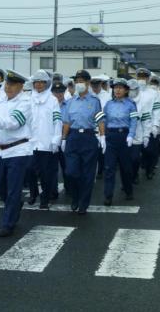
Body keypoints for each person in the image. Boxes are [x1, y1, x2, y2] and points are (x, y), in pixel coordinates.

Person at [0, 70, 32, 237]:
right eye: (7, 84)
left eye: (12, 85)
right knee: (0, 184)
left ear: (21, 87)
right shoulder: (1, 101)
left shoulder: (25, 102)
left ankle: (8, 223)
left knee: (13, 189)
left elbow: (13, 123)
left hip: (18, 150)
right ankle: (15, 204)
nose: (8, 87)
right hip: (0, 151)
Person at [61, 70, 105, 214]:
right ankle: (75, 197)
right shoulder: (70, 102)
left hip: (88, 137)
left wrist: (102, 136)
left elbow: (100, 120)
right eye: (77, 81)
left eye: (82, 81)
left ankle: (83, 203)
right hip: (73, 137)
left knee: (87, 174)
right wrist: (63, 138)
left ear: (88, 83)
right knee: (71, 172)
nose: (79, 83)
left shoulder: (94, 100)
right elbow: (67, 121)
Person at [26, 70, 62, 209]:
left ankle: (44, 199)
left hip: (47, 142)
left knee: (46, 174)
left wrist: (56, 139)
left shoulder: (52, 100)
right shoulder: (29, 98)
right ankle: (33, 193)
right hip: (30, 142)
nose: (39, 85)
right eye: (37, 82)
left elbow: (57, 121)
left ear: (47, 84)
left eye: (42, 82)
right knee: (29, 170)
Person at [103, 78, 138, 206]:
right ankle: (108, 195)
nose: (117, 90)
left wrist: (131, 135)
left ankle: (128, 190)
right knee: (109, 168)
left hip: (124, 137)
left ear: (126, 90)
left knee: (126, 168)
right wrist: (101, 135)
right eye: (115, 87)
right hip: (111, 137)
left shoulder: (131, 104)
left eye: (120, 87)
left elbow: (134, 121)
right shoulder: (108, 104)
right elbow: (103, 120)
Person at [136, 68, 160, 180]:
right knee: (135, 153)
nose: (142, 79)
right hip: (135, 126)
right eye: (140, 77)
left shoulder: (154, 93)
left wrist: (156, 125)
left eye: (144, 77)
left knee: (150, 150)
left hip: (149, 125)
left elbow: (157, 110)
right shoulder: (132, 91)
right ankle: (134, 175)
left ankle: (149, 170)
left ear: (148, 79)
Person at [127, 79, 152, 184]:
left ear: (138, 89)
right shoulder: (123, 101)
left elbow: (146, 120)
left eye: (134, 89)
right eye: (130, 89)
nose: (132, 91)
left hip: (137, 136)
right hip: (124, 135)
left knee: (135, 158)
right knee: (125, 160)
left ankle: (135, 174)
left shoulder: (142, 102)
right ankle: (127, 180)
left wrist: (146, 135)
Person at [51, 81, 71, 198]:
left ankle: (69, 188)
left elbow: (70, 121)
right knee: (52, 167)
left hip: (65, 138)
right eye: (56, 92)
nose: (58, 94)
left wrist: (64, 137)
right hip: (52, 138)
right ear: (52, 93)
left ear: (64, 92)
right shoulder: (49, 105)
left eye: (61, 92)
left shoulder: (69, 104)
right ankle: (53, 191)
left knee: (66, 166)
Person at [90, 76, 112, 179]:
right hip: (91, 126)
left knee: (102, 149)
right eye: (93, 85)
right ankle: (94, 169)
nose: (95, 88)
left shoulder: (107, 96)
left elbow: (109, 111)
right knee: (93, 149)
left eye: (97, 85)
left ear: (100, 85)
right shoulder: (89, 95)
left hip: (103, 125)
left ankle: (101, 169)